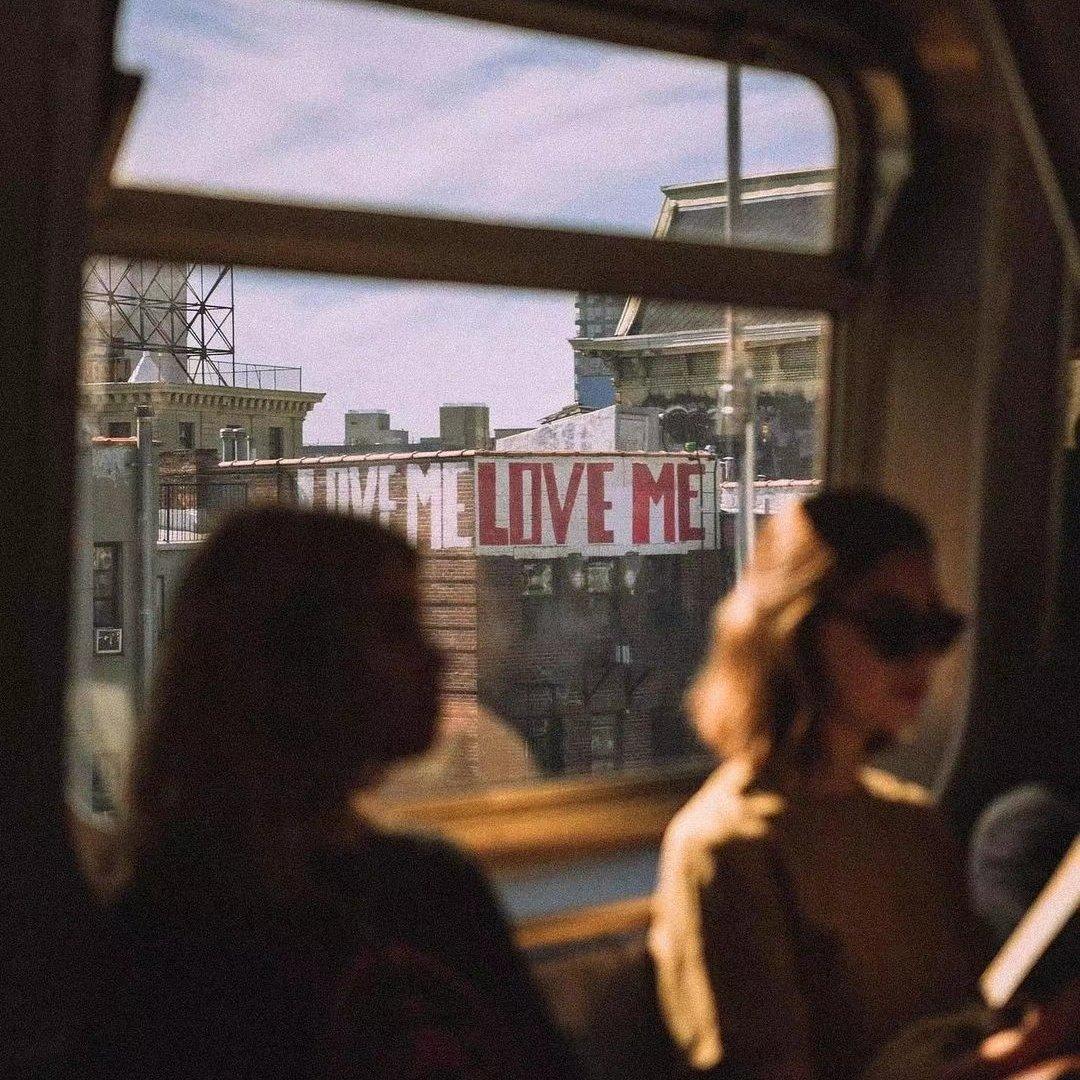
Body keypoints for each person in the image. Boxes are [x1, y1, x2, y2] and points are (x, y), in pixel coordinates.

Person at [85, 505, 579, 1080]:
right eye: (396, 626)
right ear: (293, 662)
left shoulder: (432, 884)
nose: (437, 656)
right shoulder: (182, 942)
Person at [649, 489, 987, 1080]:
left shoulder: (915, 822)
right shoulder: (727, 847)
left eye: (936, 629)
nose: (922, 657)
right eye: (892, 626)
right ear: (797, 630)